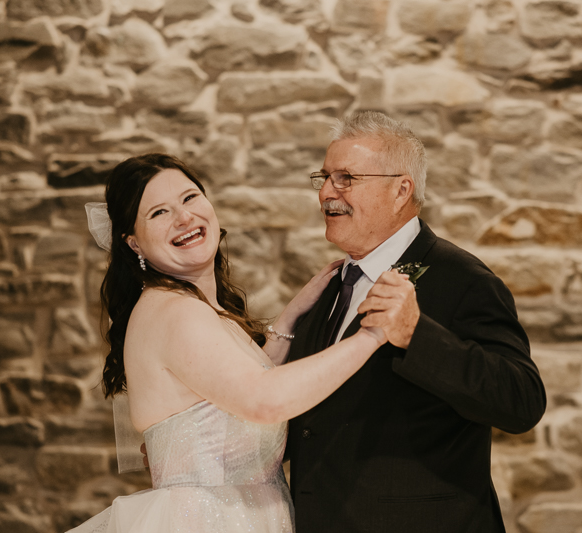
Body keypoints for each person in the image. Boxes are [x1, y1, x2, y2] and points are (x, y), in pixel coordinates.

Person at [69, 153, 386, 533]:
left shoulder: (193, 307)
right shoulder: (175, 312)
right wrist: (373, 335)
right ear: (133, 243)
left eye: (189, 198)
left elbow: (223, 408)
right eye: (159, 213)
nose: (184, 218)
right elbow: (262, 400)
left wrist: (288, 319)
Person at [285, 111, 547, 533]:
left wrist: (416, 336)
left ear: (400, 190)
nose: (327, 194)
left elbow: (522, 402)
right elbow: (311, 420)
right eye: (325, 177)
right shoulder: (332, 285)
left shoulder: (464, 280)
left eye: (347, 178)